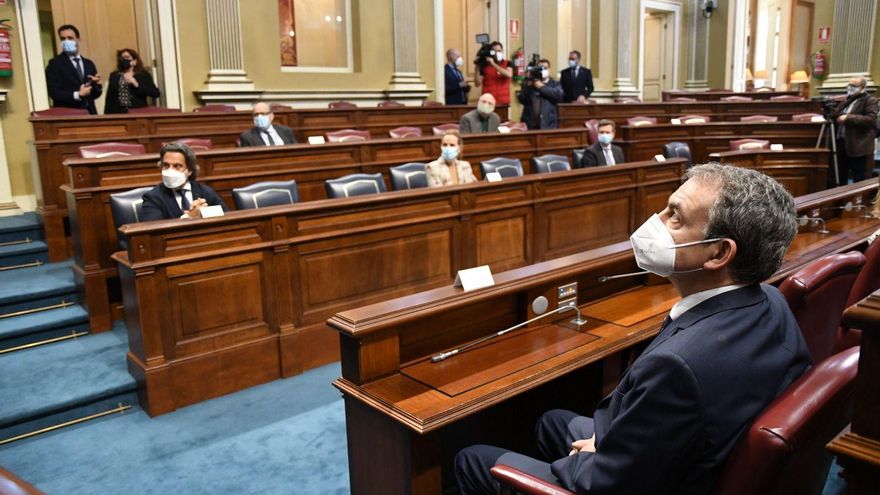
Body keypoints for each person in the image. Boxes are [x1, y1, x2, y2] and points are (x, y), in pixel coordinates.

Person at [455, 163, 812, 495]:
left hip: (653, 481)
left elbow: (608, 485)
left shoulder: (677, 367)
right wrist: (607, 442)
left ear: (719, 254)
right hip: (684, 450)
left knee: (473, 459)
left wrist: (593, 457)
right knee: (553, 421)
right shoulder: (771, 299)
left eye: (675, 216)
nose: (655, 220)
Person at [141, 143, 227, 221]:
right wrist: (189, 217)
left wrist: (205, 212)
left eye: (177, 166)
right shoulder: (153, 197)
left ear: (189, 170)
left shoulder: (206, 192)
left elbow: (226, 217)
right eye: (166, 165)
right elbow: (153, 230)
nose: (170, 171)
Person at [45, 24, 102, 114]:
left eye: (70, 38)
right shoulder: (54, 64)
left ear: (78, 40)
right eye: (63, 39)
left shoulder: (88, 63)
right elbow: (54, 93)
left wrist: (97, 85)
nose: (66, 41)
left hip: (90, 114)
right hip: (68, 114)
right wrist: (78, 94)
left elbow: (94, 95)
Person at [832, 76, 878, 185]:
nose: (850, 87)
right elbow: (837, 115)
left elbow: (871, 119)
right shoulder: (848, 99)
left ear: (862, 87)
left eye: (853, 85)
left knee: (859, 177)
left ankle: (858, 201)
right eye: (849, 85)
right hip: (843, 142)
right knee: (841, 175)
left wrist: (848, 118)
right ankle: (841, 200)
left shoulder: (870, 100)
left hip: (858, 145)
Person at [104, 48, 161, 114]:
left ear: (134, 61)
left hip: (137, 111)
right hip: (118, 113)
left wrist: (135, 83)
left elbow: (155, 93)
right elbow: (109, 98)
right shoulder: (114, 76)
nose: (124, 60)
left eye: (127, 57)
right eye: (122, 58)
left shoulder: (143, 75)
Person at [518, 59, 564, 130]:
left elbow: (559, 96)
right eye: (540, 68)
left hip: (548, 125)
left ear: (549, 70)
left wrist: (541, 87)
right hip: (530, 125)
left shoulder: (555, 84)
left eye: (545, 68)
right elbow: (522, 99)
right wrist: (529, 84)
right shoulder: (530, 83)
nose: (543, 70)